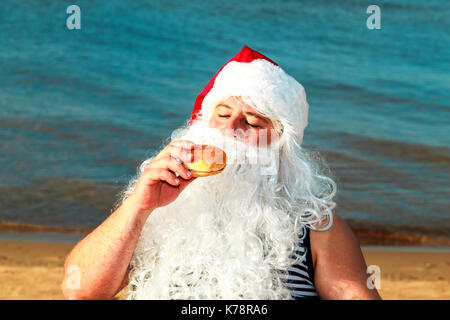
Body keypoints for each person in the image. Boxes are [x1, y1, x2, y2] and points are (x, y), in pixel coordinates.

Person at [61, 45, 381, 300]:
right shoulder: (159, 208)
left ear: (282, 146)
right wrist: (139, 206)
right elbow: (82, 290)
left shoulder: (315, 225)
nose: (231, 128)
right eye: (223, 113)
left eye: (253, 122)